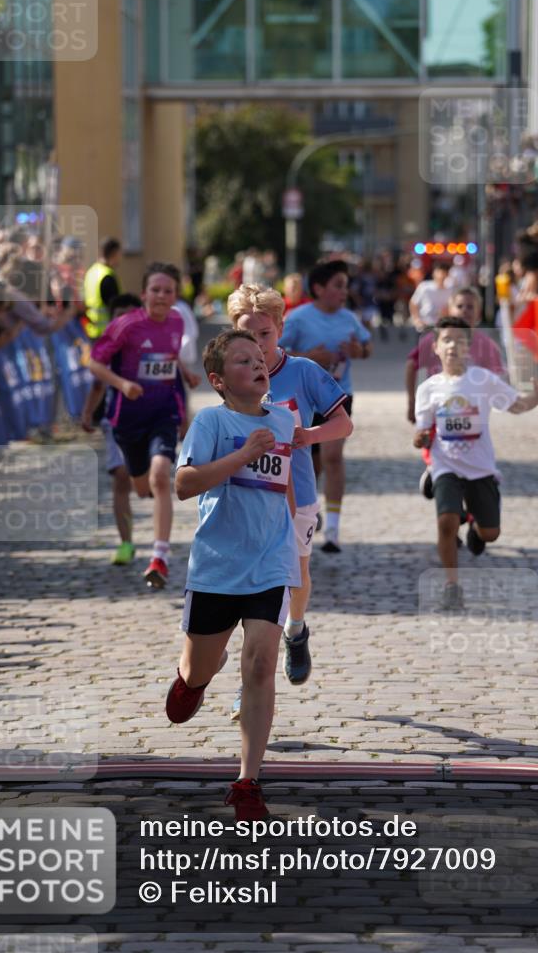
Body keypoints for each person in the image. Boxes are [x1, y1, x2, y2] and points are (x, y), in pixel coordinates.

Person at [169, 329, 300, 822]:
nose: (258, 364)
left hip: (270, 561)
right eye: (244, 361)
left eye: (260, 356)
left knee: (262, 664)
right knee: (193, 679)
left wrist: (297, 548)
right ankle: (196, 675)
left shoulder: (285, 421)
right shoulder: (212, 421)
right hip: (218, 566)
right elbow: (184, 484)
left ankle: (247, 781)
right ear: (220, 381)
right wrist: (242, 455)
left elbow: (280, 487)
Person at [227, 284, 353, 701]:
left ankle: (296, 632)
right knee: (251, 585)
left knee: (295, 575)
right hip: (247, 494)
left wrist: (306, 435)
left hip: (296, 490)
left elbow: (343, 424)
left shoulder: (303, 372)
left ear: (281, 328)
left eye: (265, 333)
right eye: (248, 334)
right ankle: (251, 677)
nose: (258, 344)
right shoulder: (230, 373)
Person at [414, 317, 538, 611]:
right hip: (446, 465)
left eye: (460, 339)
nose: (453, 345)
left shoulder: (482, 380)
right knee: (445, 523)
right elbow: (424, 431)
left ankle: (475, 528)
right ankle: (451, 586)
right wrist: (419, 438)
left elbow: (517, 405)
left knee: (491, 533)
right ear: (436, 348)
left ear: (469, 346)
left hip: (480, 468)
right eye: (447, 340)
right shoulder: (428, 389)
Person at [89, 262, 199, 588]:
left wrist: (184, 372)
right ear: (144, 294)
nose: (162, 296)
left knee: (162, 477)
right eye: (156, 290)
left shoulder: (177, 321)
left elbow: (169, 354)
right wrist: (122, 385)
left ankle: (159, 557)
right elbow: (94, 362)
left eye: (168, 291)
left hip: (164, 413)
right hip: (128, 420)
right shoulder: (126, 326)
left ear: (175, 296)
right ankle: (149, 532)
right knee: (141, 487)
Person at [280, 259, 371, 552]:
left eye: (346, 286)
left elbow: (367, 348)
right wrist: (308, 356)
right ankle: (308, 512)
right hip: (303, 398)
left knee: (333, 457)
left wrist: (360, 351)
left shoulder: (349, 318)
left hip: (337, 394)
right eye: (338, 285)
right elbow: (274, 352)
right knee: (309, 461)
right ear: (318, 288)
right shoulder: (297, 318)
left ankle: (333, 528)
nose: (344, 291)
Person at [406, 286, 506, 499]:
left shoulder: (486, 345)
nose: (465, 311)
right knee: (432, 438)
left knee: (467, 450)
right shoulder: (436, 340)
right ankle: (435, 469)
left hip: (470, 410)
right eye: (460, 306)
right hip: (439, 406)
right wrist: (411, 400)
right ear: (448, 309)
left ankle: (467, 502)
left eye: (471, 307)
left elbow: (498, 378)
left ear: (479, 314)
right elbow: (411, 364)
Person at [81, 293, 143, 565]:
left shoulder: (152, 343)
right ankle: (126, 542)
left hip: (149, 421)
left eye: (131, 315)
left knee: (149, 481)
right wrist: (86, 413)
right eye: (120, 314)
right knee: (121, 477)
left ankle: (160, 544)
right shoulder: (109, 345)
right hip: (115, 420)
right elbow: (97, 384)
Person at [82, 237, 122, 339]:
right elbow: (115, 307)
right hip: (105, 332)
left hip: (89, 328)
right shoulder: (107, 276)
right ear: (113, 254)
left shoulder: (91, 272)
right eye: (118, 255)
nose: (119, 259)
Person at [409, 261, 454, 332]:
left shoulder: (451, 290)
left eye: (443, 273)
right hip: (425, 325)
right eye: (439, 272)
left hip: (441, 326)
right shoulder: (424, 287)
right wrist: (417, 320)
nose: (441, 276)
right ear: (434, 273)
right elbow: (413, 303)